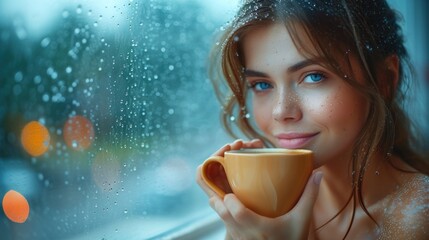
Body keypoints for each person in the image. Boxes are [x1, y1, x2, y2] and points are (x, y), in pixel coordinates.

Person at [196, 0, 429, 239]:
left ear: (384, 79)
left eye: (314, 77)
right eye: (262, 84)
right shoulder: (270, 211)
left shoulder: (417, 220)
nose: (281, 111)